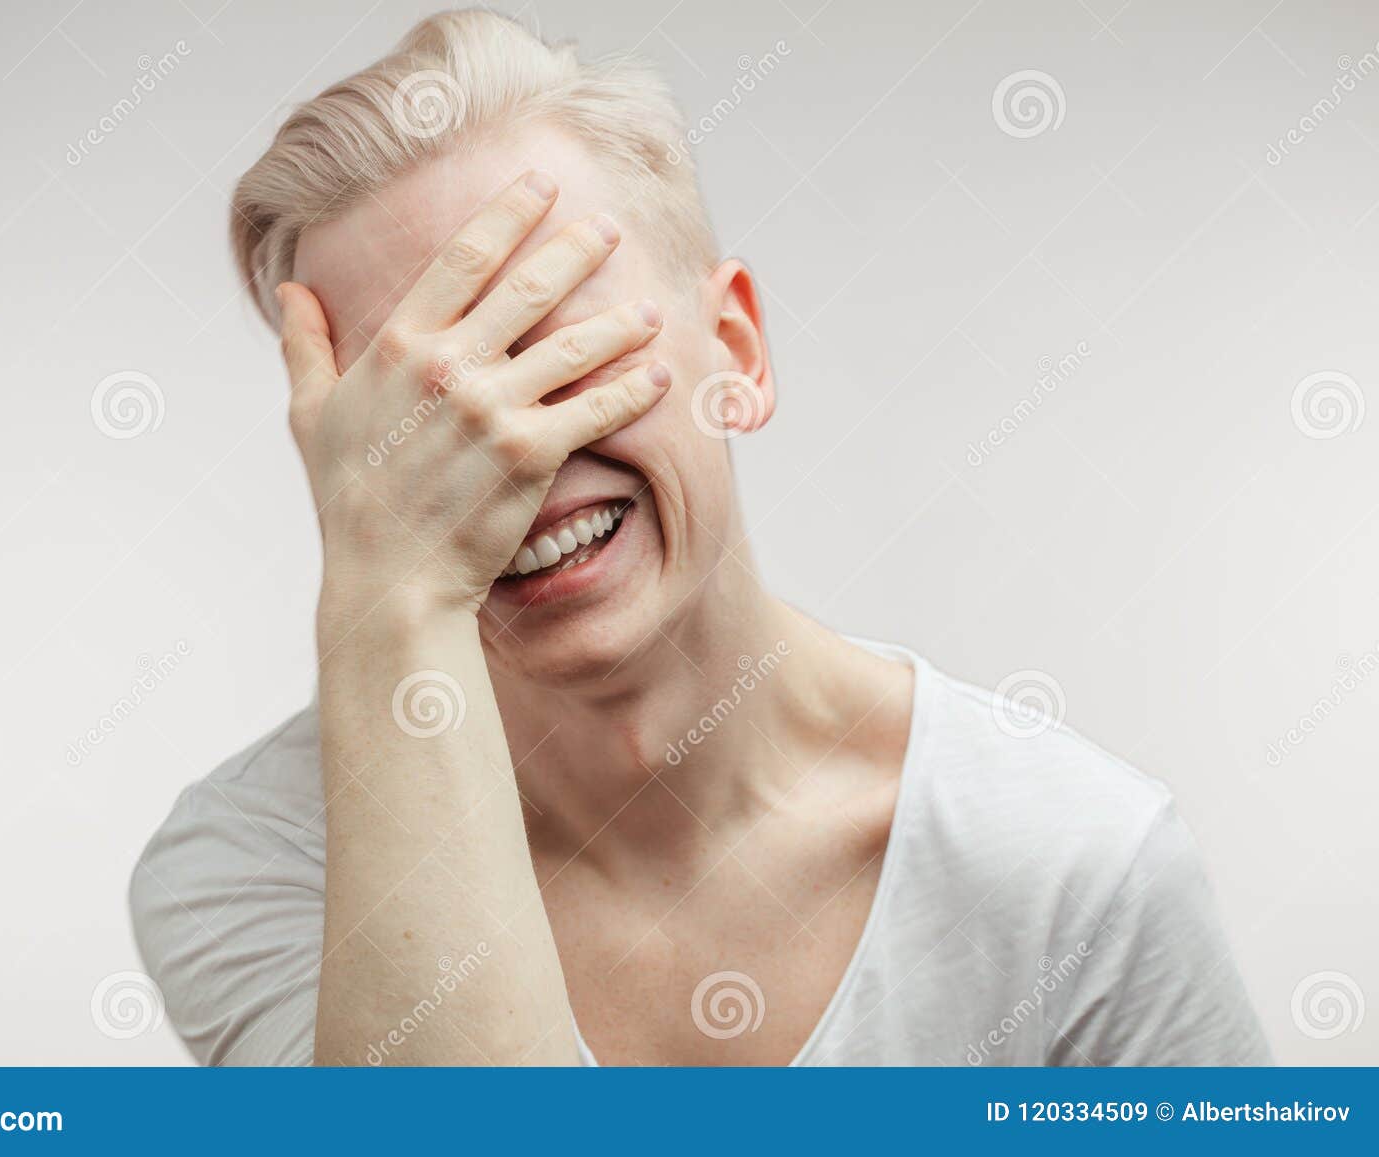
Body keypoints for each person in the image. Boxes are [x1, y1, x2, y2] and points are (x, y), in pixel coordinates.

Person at [129, 9, 1269, 1067]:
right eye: (418, 412)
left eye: (559, 348)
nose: (509, 450)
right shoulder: (253, 863)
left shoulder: (1077, 871)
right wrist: (392, 593)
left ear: (737, 353)